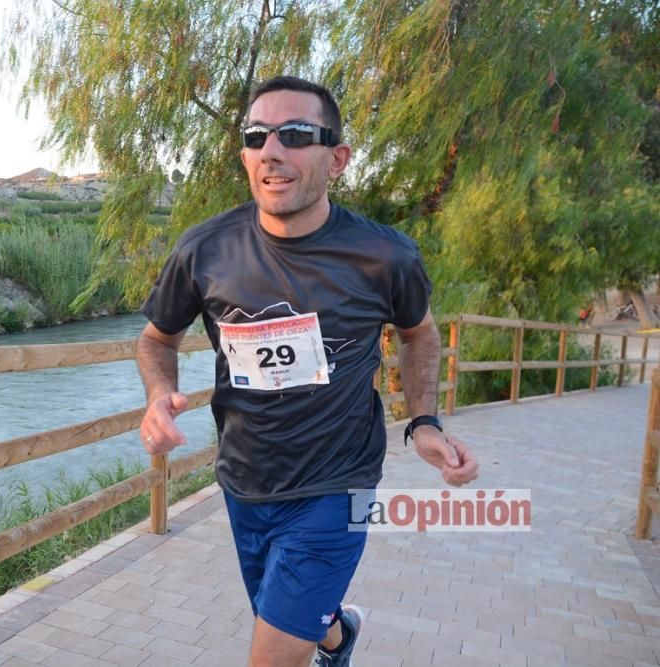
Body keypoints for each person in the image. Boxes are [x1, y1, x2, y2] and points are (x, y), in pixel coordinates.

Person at [135, 76, 479, 667]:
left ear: (337, 158)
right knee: (285, 614)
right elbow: (155, 338)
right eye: (257, 136)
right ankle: (339, 635)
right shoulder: (204, 250)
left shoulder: (385, 256)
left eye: (295, 135)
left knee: (271, 657)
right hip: (244, 480)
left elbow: (419, 332)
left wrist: (423, 421)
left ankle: (323, 631)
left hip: (336, 485)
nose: (273, 150)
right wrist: (160, 393)